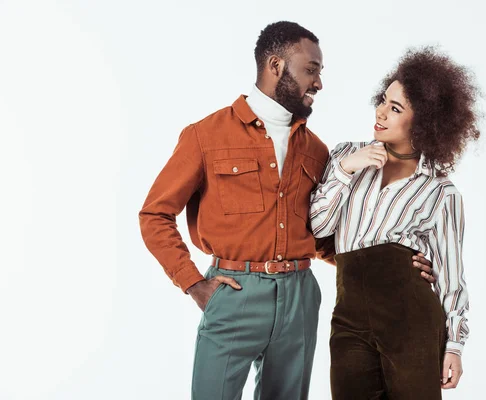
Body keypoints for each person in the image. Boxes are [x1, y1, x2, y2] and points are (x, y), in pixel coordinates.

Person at [139, 21, 435, 400]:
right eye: (311, 70)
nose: (319, 83)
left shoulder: (317, 150)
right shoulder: (205, 136)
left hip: (299, 297)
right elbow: (154, 215)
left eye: (320, 73)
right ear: (275, 66)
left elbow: (325, 236)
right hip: (233, 292)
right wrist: (193, 283)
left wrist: (393, 265)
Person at [310, 47, 481, 399]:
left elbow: (450, 273)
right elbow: (318, 227)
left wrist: (455, 346)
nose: (381, 112)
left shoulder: (440, 192)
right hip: (349, 317)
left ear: (424, 122)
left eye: (395, 108)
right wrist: (346, 170)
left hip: (412, 319)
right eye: (383, 100)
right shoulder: (346, 155)